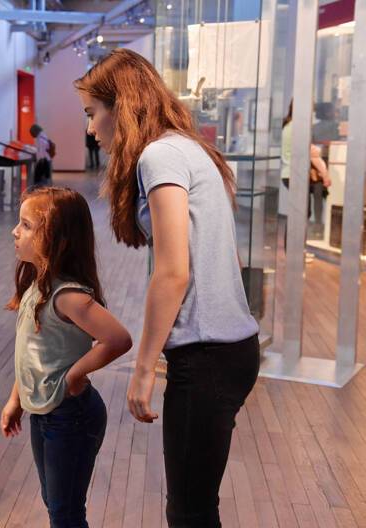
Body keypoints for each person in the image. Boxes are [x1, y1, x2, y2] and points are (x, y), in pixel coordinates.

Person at [75, 48, 260, 527]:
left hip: (208, 356)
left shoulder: (159, 155)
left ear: (123, 105)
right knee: (195, 504)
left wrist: (141, 370)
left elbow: (174, 271)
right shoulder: (186, 147)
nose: (92, 129)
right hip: (229, 349)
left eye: (93, 114)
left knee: (190, 512)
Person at [0, 186, 133, 528]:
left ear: (56, 238)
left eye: (26, 225)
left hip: (70, 415)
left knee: (66, 511)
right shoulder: (39, 284)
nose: (16, 231)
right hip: (45, 413)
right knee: (55, 503)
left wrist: (75, 374)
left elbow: (117, 339)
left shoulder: (67, 295)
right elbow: (32, 355)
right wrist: (16, 399)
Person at [281, 100, 332, 242]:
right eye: (311, 110)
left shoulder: (289, 126)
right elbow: (311, 153)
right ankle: (293, 250)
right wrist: (326, 175)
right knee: (301, 213)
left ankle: (294, 250)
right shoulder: (297, 128)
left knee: (301, 212)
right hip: (294, 175)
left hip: (290, 174)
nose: (312, 113)